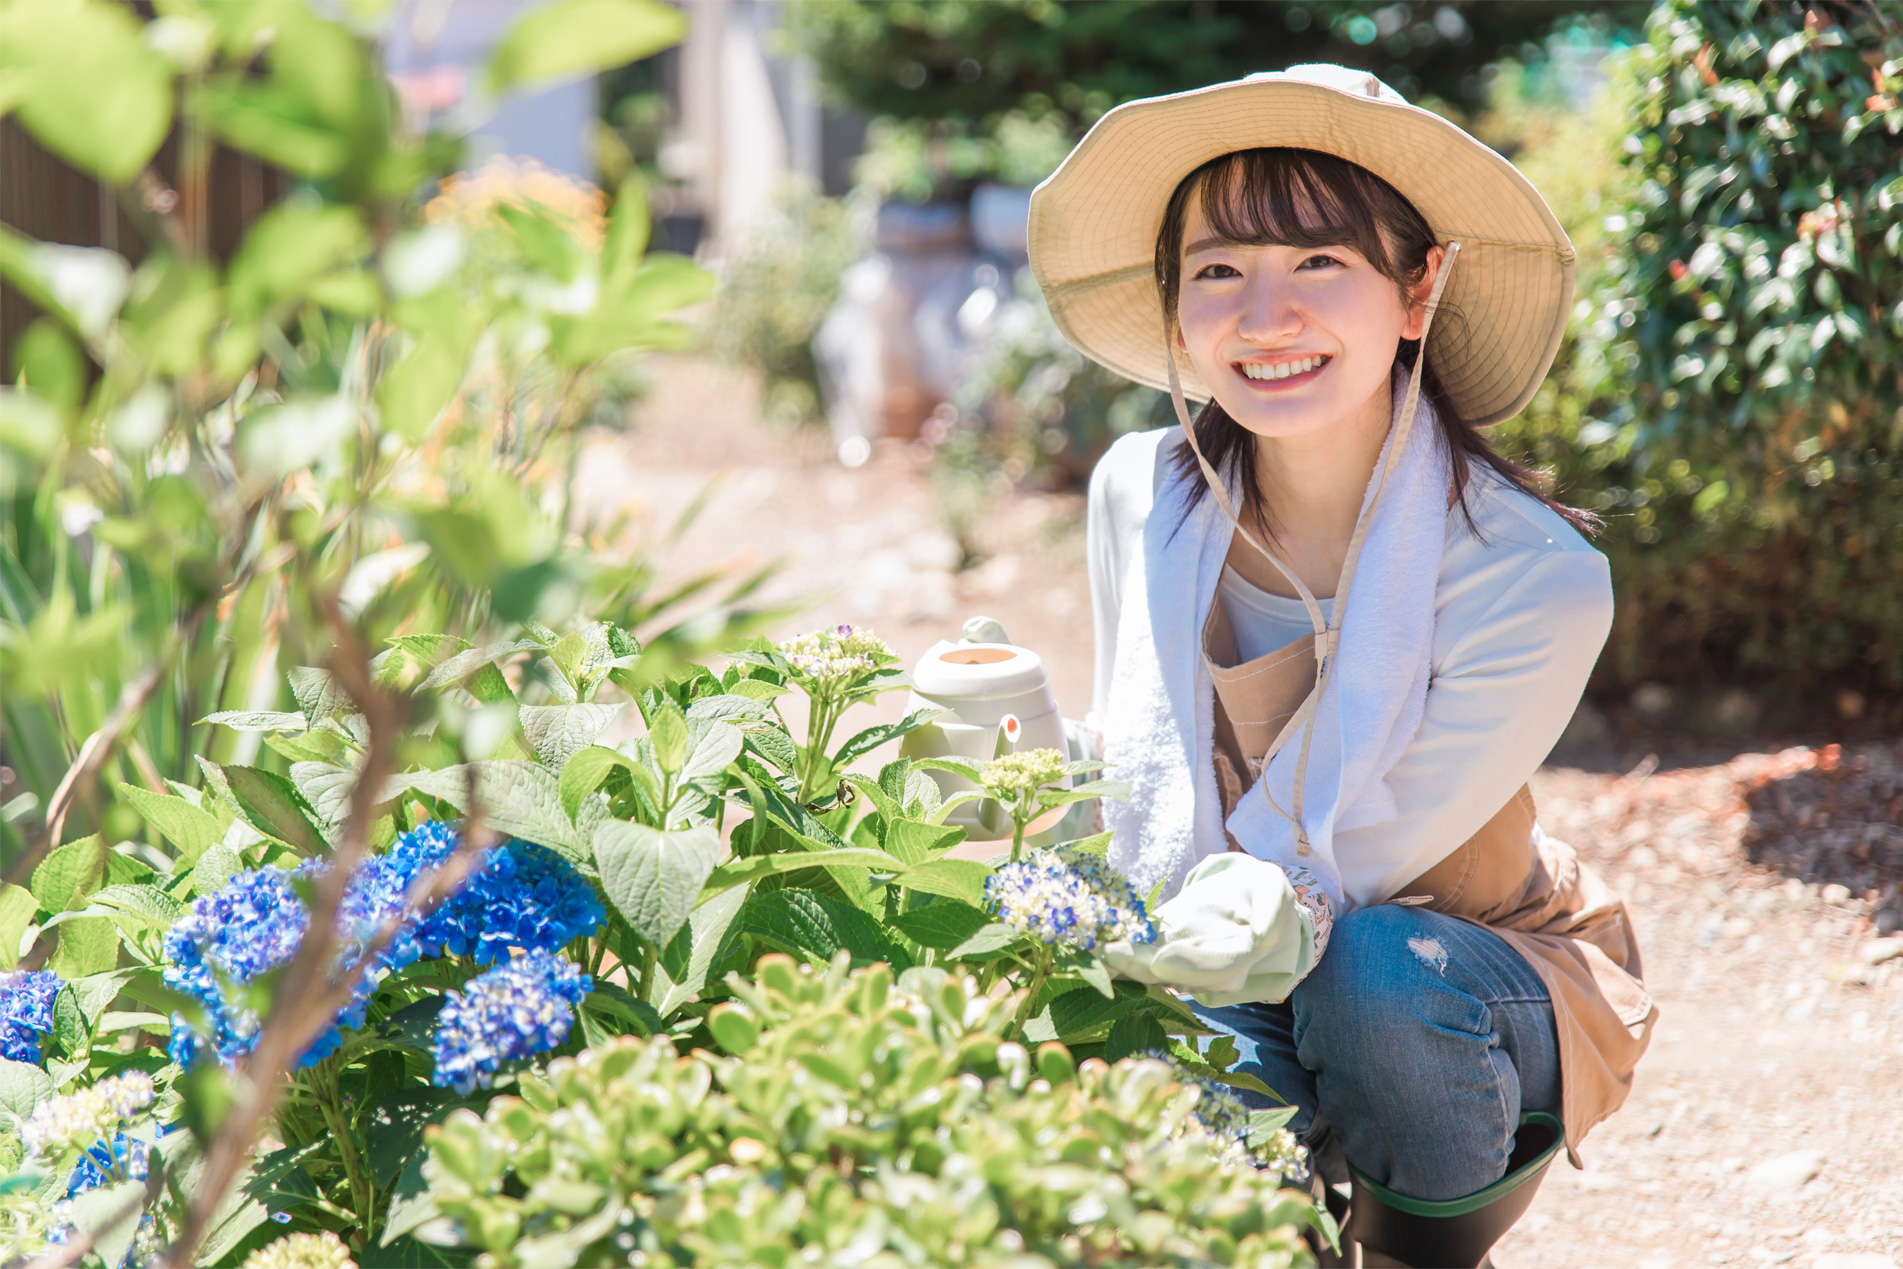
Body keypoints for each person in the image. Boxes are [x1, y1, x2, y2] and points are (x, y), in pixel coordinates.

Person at [1026, 65, 1658, 1267]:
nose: (1264, 317)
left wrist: (1156, 954)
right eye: (1217, 272)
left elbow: (1348, 858)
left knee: (1370, 977)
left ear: (1417, 290)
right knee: (1136, 1075)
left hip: (1452, 966)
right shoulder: (1137, 494)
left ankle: (1415, 1246)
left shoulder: (1529, 574)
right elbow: (1132, 770)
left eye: (1319, 263)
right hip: (1207, 942)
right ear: (1172, 313)